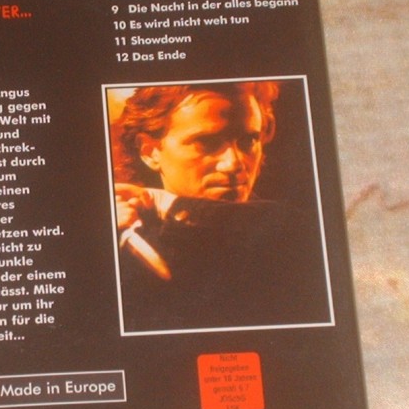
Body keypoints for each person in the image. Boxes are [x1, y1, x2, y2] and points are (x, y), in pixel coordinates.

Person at [111, 81, 331, 332]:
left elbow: (291, 225)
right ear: (150, 151)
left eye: (248, 140)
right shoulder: (126, 240)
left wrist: (166, 204)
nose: (234, 163)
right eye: (207, 142)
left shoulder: (292, 231)